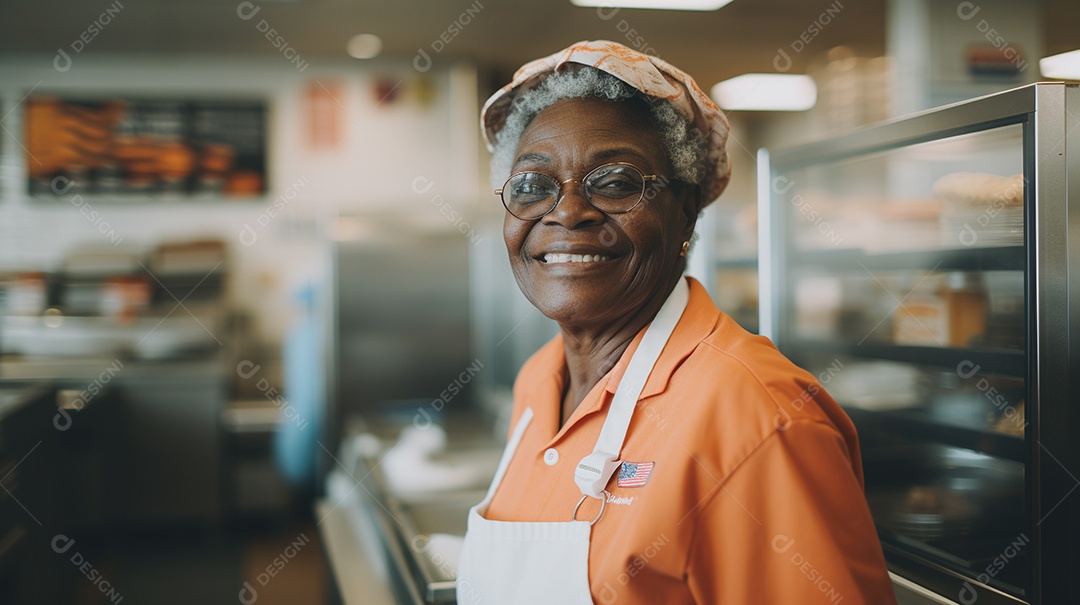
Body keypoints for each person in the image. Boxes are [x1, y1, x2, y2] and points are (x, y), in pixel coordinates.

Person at [456, 40, 897, 605]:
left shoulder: (759, 417)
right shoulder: (539, 381)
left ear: (685, 208)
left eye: (615, 182)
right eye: (534, 185)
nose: (566, 213)